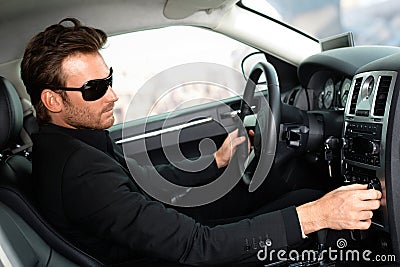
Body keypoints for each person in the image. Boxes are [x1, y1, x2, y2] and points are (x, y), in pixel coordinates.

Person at [21, 18, 382, 266]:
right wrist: (319, 216)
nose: (112, 95)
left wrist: (217, 161)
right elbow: (197, 246)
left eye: (109, 79)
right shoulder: (79, 173)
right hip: (175, 258)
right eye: (95, 88)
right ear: (53, 100)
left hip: (159, 249)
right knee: (315, 214)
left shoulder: (71, 144)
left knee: (301, 199)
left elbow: (141, 182)